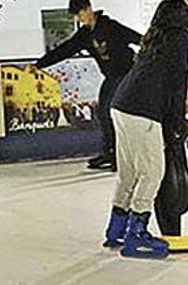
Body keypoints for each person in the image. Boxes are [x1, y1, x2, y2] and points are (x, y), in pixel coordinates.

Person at [102, 0, 188, 259]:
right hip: (141, 110)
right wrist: (176, 124)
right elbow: (178, 86)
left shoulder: (155, 38)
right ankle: (137, 233)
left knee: (129, 172)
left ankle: (116, 229)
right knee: (153, 172)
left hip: (120, 105)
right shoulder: (178, 40)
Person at [30, 0, 142, 171]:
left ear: (89, 9)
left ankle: (118, 155)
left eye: (81, 13)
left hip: (127, 73)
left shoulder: (110, 26)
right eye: (77, 15)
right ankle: (111, 152)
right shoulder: (85, 35)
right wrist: (39, 64)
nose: (79, 18)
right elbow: (65, 49)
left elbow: (137, 38)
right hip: (112, 76)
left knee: (108, 111)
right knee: (102, 112)